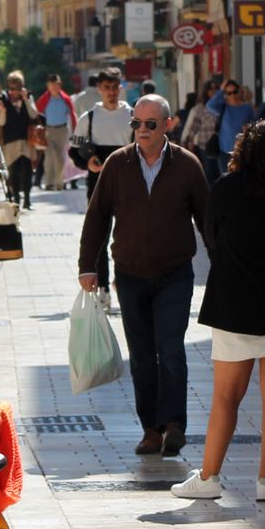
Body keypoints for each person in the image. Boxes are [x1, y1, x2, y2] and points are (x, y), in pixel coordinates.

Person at [172, 120, 265, 502]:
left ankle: (209, 477)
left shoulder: (226, 188)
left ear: (244, 149)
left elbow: (211, 238)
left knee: (226, 396)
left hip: (235, 302)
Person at [78, 95, 209, 456]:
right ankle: (151, 429)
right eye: (136, 123)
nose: (142, 130)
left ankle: (174, 425)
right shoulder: (117, 164)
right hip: (131, 274)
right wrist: (88, 265)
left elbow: (207, 219)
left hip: (175, 273)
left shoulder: (187, 165)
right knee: (141, 355)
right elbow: (97, 216)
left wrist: (223, 266)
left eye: (150, 124)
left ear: (168, 125)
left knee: (171, 350)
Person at [72, 66, 134, 293]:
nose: (112, 92)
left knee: (129, 237)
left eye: (115, 87)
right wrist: (86, 163)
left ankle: (124, 282)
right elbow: (74, 151)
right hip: (98, 184)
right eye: (107, 87)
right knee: (100, 236)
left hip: (129, 184)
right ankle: (104, 287)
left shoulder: (132, 116)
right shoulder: (89, 118)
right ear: (99, 89)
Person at [0, 70, 39, 210]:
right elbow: (1, 122)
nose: (14, 91)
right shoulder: (3, 98)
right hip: (11, 141)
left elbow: (33, 114)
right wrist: (3, 110)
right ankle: (16, 198)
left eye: (17, 87)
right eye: (12, 87)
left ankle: (27, 199)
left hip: (26, 140)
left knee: (27, 171)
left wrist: (26, 99)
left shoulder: (28, 97)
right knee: (13, 172)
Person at [205, 78, 259, 181]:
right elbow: (209, 106)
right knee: (227, 180)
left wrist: (249, 128)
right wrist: (221, 90)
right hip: (224, 152)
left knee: (242, 180)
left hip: (242, 151)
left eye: (235, 92)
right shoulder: (223, 107)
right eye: (229, 93)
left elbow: (255, 124)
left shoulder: (247, 107)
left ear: (239, 91)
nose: (232, 95)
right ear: (225, 94)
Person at [36, 72, 77, 189]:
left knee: (59, 157)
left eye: (56, 84)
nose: (54, 87)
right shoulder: (44, 99)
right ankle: (49, 183)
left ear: (60, 85)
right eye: (51, 84)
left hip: (62, 131)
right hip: (48, 131)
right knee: (49, 156)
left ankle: (59, 183)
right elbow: (37, 115)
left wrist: (75, 131)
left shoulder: (65, 99)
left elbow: (72, 115)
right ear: (48, 85)